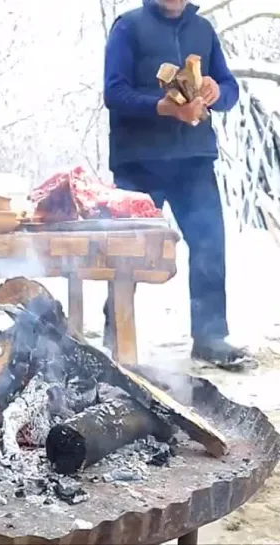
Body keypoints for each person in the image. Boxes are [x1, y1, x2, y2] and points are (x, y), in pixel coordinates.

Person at [103, 0, 248, 367]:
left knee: (209, 244)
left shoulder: (204, 30)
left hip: (193, 160)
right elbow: (114, 93)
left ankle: (211, 336)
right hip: (140, 162)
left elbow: (230, 89)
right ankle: (116, 335)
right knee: (129, 252)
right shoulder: (128, 27)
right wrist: (164, 107)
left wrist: (218, 92)